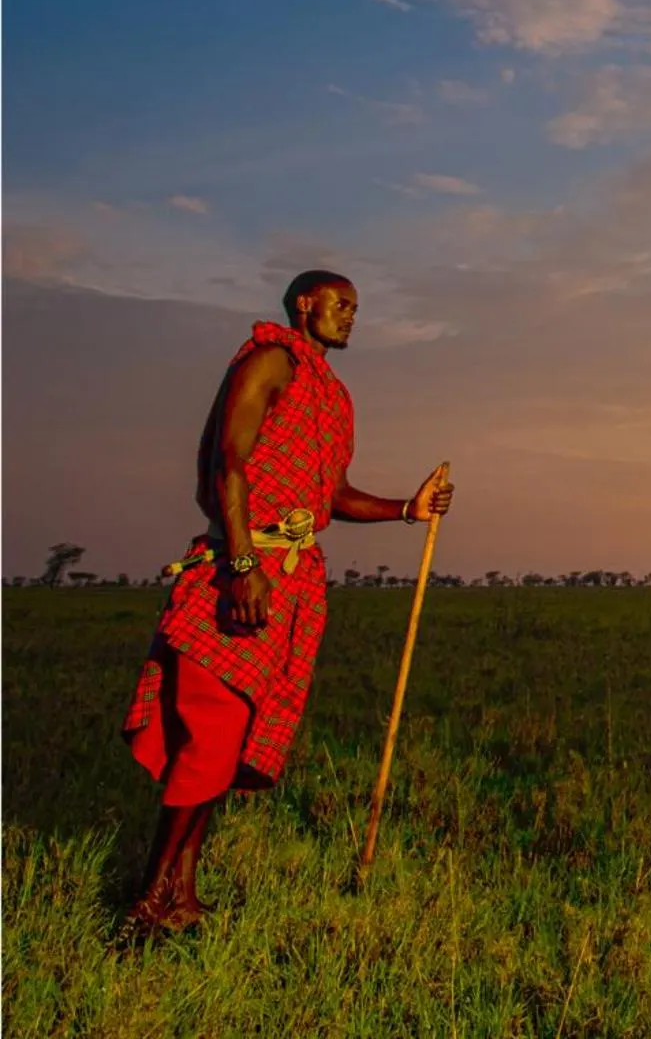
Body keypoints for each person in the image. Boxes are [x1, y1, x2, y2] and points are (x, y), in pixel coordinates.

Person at [120, 269, 454, 937]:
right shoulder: (270, 361)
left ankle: (182, 893)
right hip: (242, 568)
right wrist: (244, 566)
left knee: (230, 738)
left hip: (293, 578)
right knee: (209, 735)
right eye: (339, 305)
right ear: (305, 304)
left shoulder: (333, 394)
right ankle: (150, 902)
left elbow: (330, 496)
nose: (350, 317)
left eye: (357, 309)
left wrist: (405, 510)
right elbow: (230, 465)